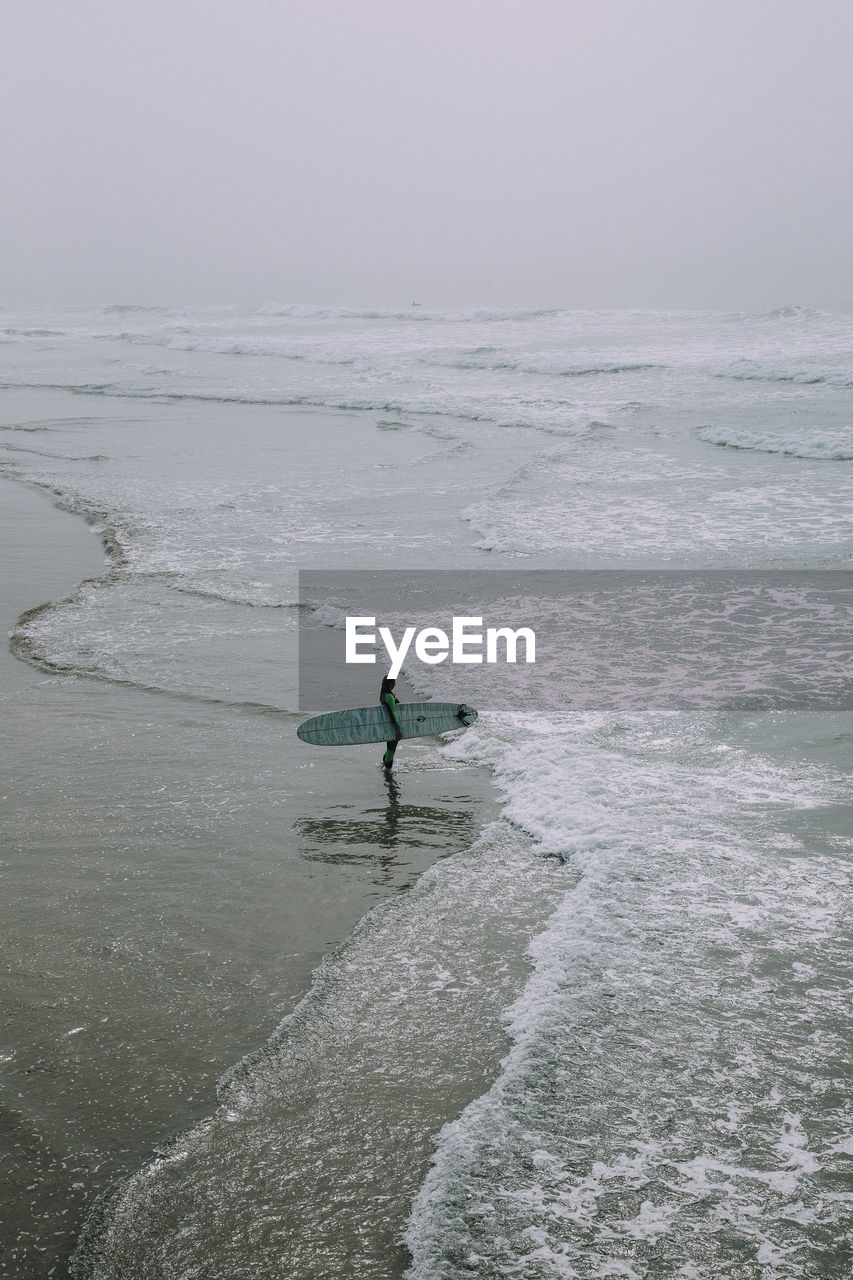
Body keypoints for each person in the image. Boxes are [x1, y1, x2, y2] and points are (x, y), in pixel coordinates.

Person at [379, 674, 404, 769]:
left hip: (388, 726)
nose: (395, 684)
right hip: (393, 726)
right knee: (391, 750)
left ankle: (384, 767)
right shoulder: (389, 696)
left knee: (390, 748)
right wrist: (397, 730)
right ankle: (388, 775)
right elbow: (393, 714)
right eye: (393, 682)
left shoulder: (383, 695)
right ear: (390, 684)